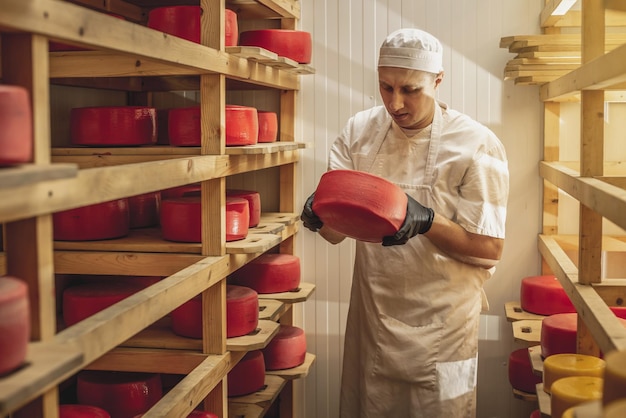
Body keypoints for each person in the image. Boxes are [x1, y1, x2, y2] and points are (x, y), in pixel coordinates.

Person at [301, 28, 509, 417]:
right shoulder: (359, 132)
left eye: (410, 90)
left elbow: (490, 248)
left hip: (446, 328)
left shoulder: (477, 145)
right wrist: (319, 215)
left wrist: (428, 222)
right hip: (374, 316)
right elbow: (335, 233)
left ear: (438, 81)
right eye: (385, 87)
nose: (395, 103)